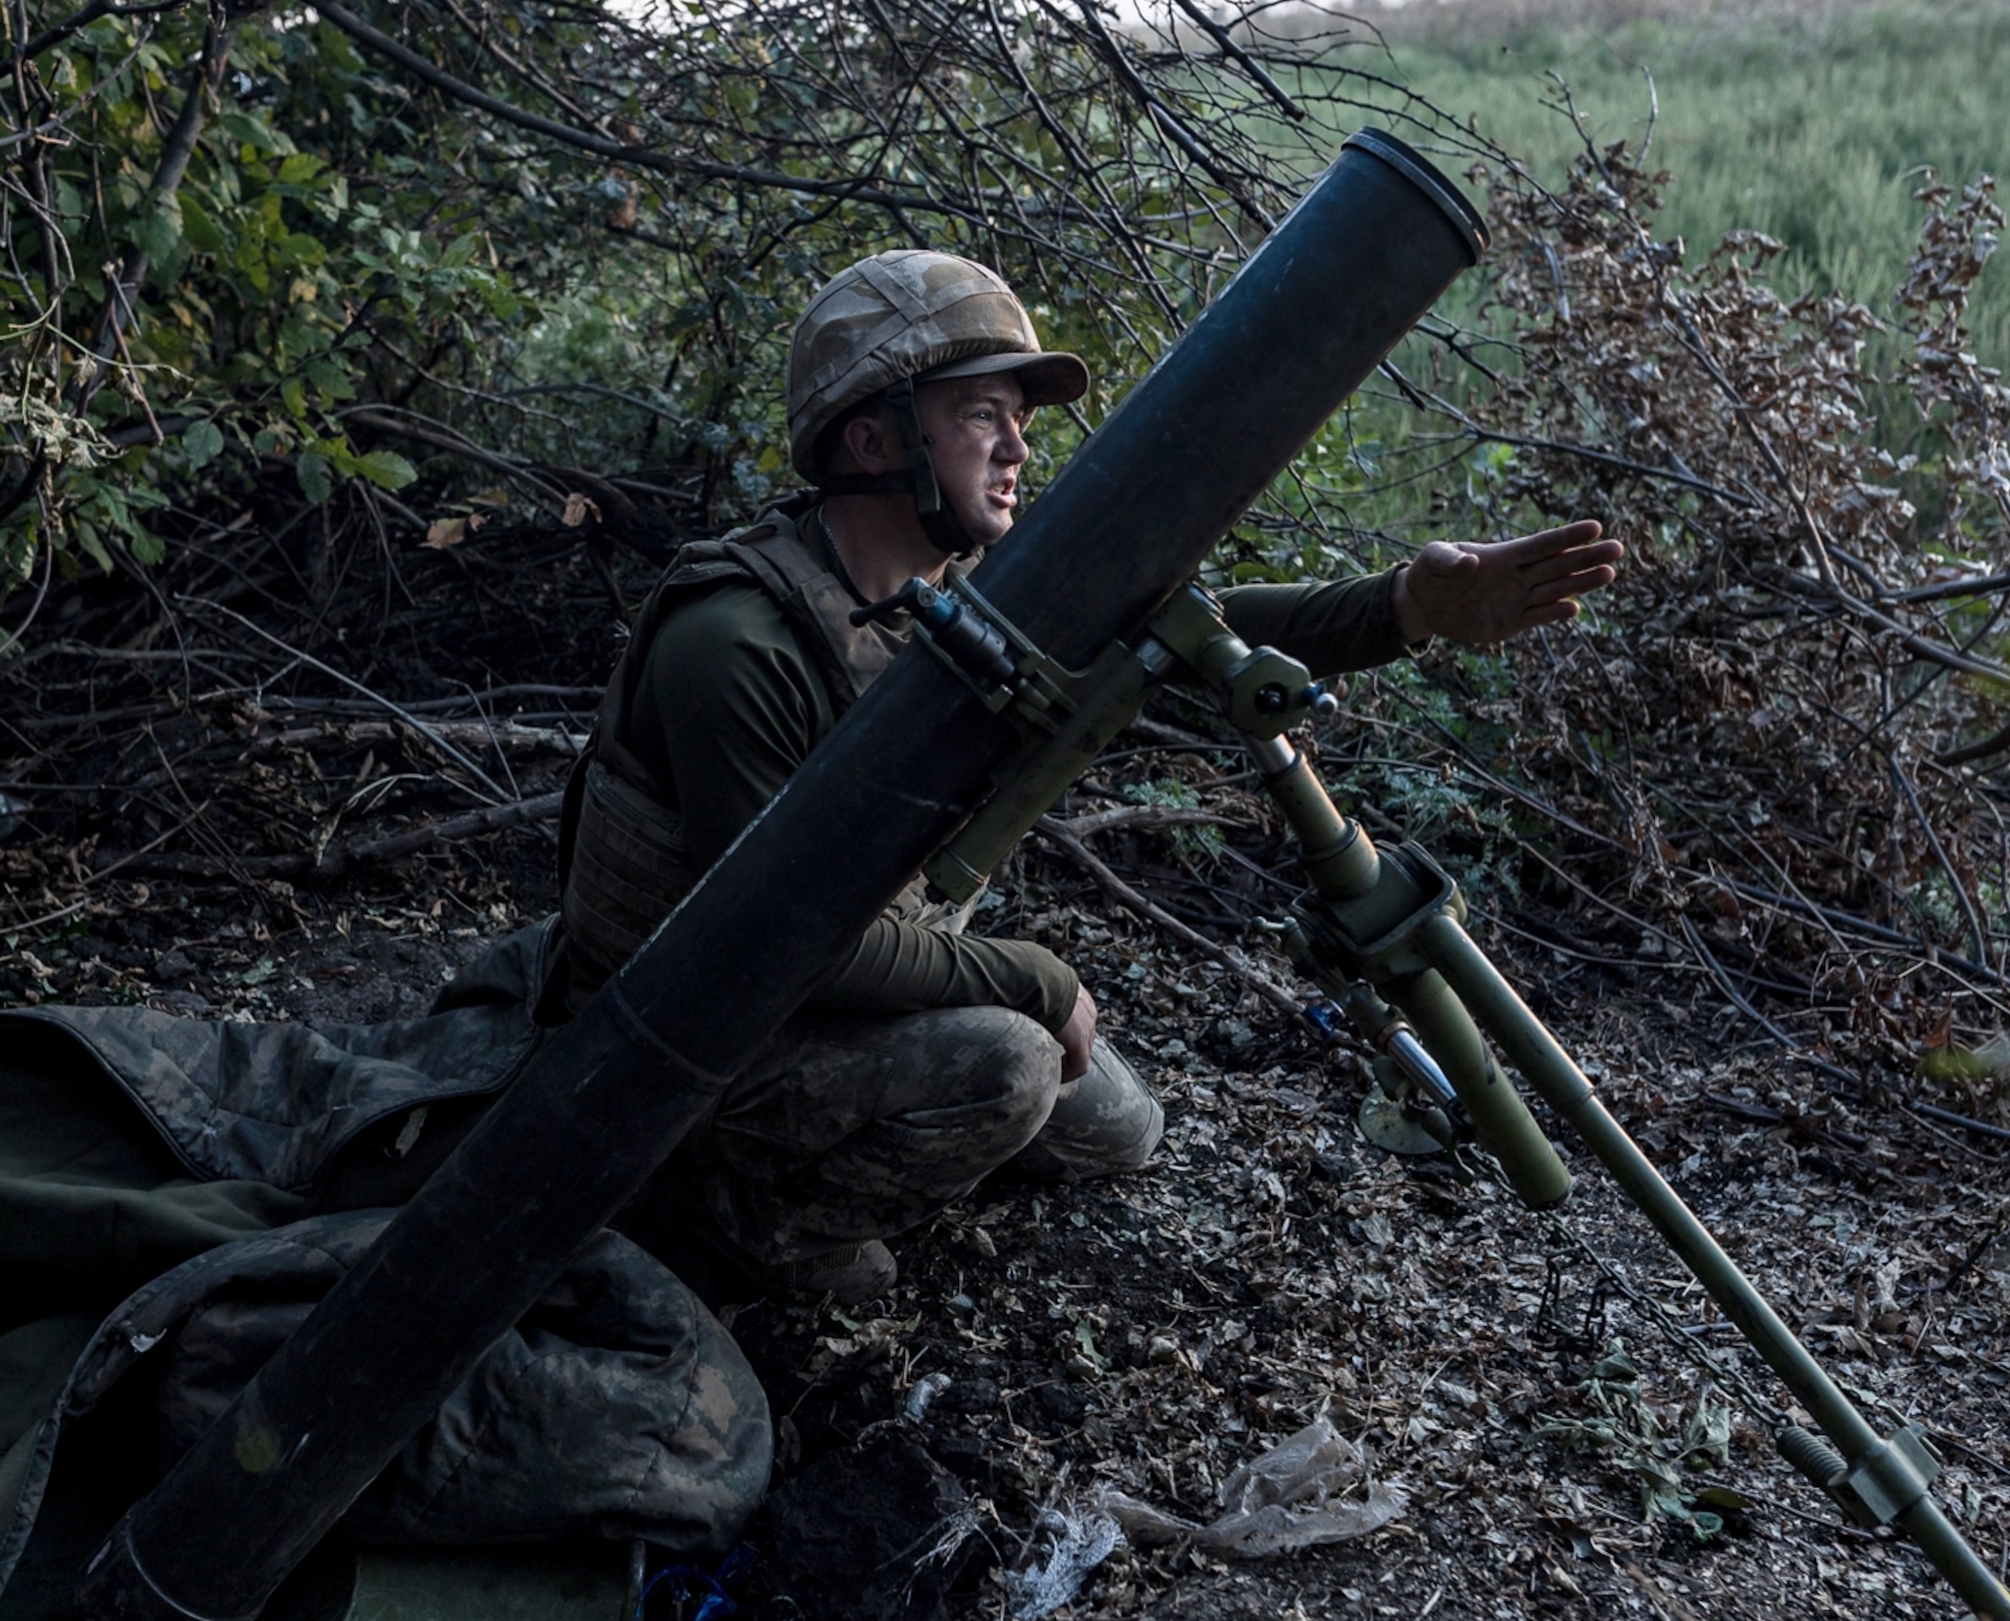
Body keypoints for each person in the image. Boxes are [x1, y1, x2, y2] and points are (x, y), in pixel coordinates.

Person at [553, 250, 1621, 1303]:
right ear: (872, 437)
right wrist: (1039, 979)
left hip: (845, 975)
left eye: (1020, 416)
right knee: (1015, 1063)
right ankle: (735, 1222)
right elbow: (782, 954)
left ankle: (853, 1138)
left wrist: (1405, 608)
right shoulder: (737, 642)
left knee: (1120, 1124)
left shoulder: (953, 590)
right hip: (700, 1038)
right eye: (980, 414)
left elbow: (1176, 634)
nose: (1018, 446)